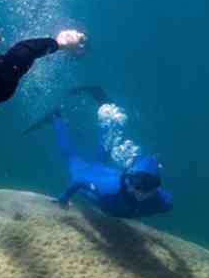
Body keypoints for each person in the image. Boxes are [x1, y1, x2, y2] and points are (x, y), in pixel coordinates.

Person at [26, 87, 173, 218]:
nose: (142, 192)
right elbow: (79, 181)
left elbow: (164, 201)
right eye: (138, 185)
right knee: (71, 157)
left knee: (101, 158)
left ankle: (108, 111)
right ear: (130, 180)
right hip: (89, 175)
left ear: (157, 186)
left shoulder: (162, 200)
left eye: (149, 185)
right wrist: (63, 199)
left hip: (106, 174)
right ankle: (57, 118)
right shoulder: (108, 190)